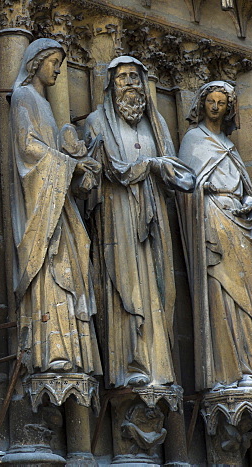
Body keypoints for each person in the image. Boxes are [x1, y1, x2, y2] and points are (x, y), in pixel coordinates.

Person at [84, 56, 194, 388]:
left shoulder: (156, 124)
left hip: (154, 217)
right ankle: (128, 363)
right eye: (123, 78)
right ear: (110, 85)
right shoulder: (96, 122)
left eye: (135, 76)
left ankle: (158, 365)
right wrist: (151, 165)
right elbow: (104, 170)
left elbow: (181, 173)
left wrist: (164, 168)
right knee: (125, 286)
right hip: (116, 217)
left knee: (159, 290)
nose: (131, 83)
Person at [9, 38, 101, 376]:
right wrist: (69, 165)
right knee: (52, 267)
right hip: (40, 205)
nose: (59, 69)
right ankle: (51, 348)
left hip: (56, 200)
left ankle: (70, 348)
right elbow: (28, 149)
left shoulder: (43, 104)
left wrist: (76, 162)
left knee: (72, 261)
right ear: (36, 63)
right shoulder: (24, 98)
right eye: (54, 62)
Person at [178, 80, 252, 391]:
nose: (215, 107)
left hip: (237, 223)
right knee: (221, 291)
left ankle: (250, 366)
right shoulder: (193, 140)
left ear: (229, 109)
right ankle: (226, 369)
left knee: (249, 293)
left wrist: (249, 201)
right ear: (202, 104)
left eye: (221, 103)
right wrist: (208, 195)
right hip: (212, 218)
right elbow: (186, 187)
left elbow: (247, 189)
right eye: (211, 101)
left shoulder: (230, 147)